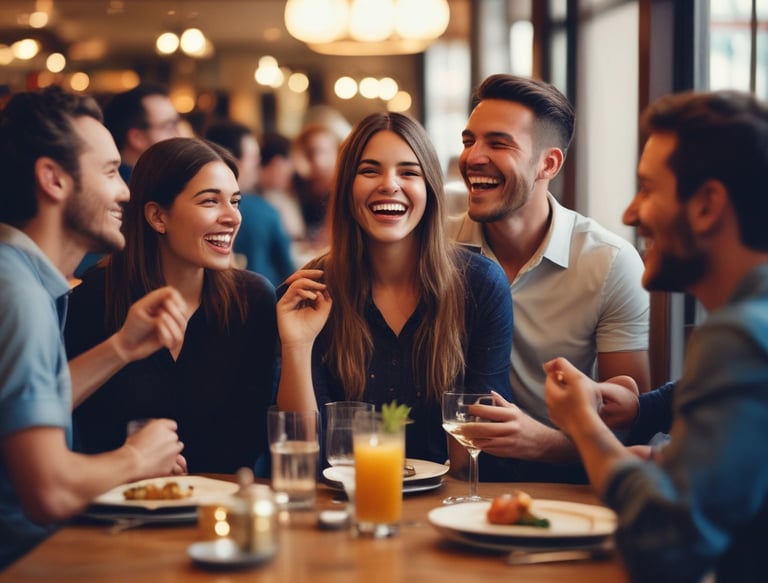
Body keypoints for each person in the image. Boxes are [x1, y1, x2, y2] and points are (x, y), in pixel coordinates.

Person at [544, 89, 768, 583]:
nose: (630, 213)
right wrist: (644, 412)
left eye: (647, 189)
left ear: (707, 206)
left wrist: (583, 424)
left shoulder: (739, 335)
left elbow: (666, 547)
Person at [0, 86, 187, 568]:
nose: (125, 189)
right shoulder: (19, 296)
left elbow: (18, 412)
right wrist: (137, 460)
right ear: (53, 180)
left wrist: (121, 347)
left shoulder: (16, 276)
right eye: (109, 172)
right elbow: (50, 490)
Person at [276, 112, 513, 468]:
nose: (389, 185)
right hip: (344, 505)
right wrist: (296, 345)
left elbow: (479, 449)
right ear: (346, 188)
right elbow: (302, 462)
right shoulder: (311, 290)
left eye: (408, 172)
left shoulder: (480, 285)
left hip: (448, 504)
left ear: (429, 188)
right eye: (369, 171)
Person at [448, 74, 649, 481]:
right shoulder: (435, 246)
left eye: (498, 143)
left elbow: (630, 432)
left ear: (549, 163)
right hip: (449, 478)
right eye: (470, 141)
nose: (472, 158)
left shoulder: (609, 263)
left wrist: (539, 442)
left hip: (567, 486)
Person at [65, 137, 278, 475]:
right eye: (210, 201)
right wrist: (133, 463)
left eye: (235, 201)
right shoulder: (94, 297)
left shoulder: (252, 299)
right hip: (118, 509)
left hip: (222, 506)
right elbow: (75, 426)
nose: (233, 217)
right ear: (157, 216)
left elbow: (252, 436)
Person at [75, 82, 181, 277]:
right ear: (137, 137)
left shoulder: (160, 185)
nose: (179, 134)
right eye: (169, 126)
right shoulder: (126, 193)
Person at [204, 120, 295, 286]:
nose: (258, 164)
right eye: (253, 157)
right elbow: (289, 270)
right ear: (231, 160)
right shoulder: (264, 212)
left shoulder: (198, 210)